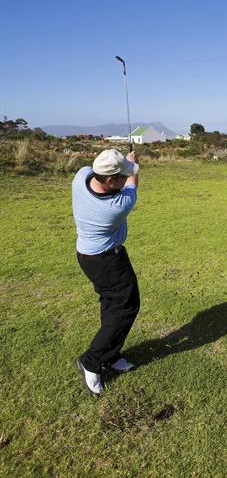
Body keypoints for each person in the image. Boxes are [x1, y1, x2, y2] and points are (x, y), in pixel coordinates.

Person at [72, 148, 140, 395]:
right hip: (107, 261)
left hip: (88, 256)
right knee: (126, 307)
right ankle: (91, 361)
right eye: (122, 176)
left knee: (111, 305)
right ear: (111, 180)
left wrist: (123, 163)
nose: (126, 178)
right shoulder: (118, 205)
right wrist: (132, 163)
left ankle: (111, 355)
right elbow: (132, 184)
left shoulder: (80, 176)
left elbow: (96, 170)